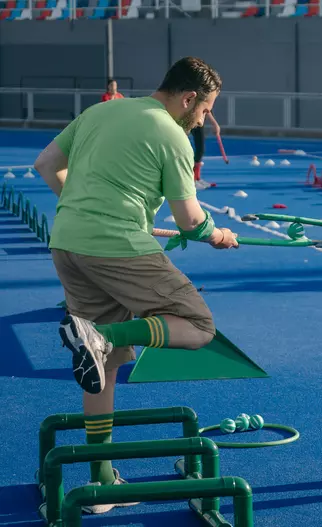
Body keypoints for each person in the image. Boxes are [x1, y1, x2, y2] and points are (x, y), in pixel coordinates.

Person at [33, 56, 238, 513]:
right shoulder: (172, 134)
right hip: (116, 245)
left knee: (101, 364)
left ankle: (101, 481)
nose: (203, 119)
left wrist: (88, 207)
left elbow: (47, 164)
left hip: (67, 241)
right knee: (198, 325)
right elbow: (191, 220)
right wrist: (218, 235)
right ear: (188, 99)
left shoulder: (101, 111)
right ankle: (99, 336)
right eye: (204, 110)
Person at [190, 110, 222, 182]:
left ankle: (196, 178)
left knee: (200, 150)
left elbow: (207, 108)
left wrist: (215, 124)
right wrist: (215, 124)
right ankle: (192, 178)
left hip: (197, 121)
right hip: (187, 118)